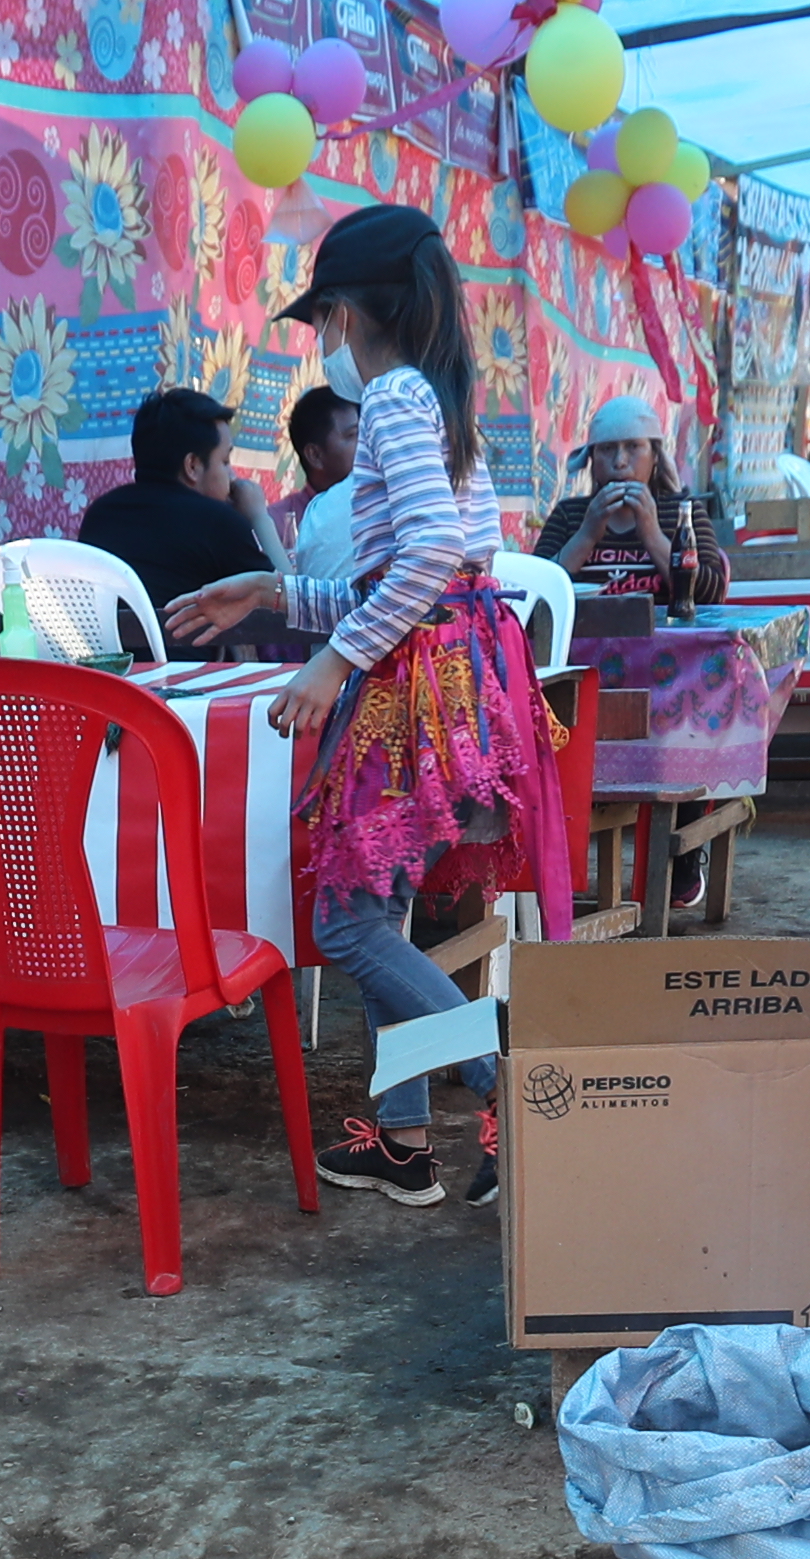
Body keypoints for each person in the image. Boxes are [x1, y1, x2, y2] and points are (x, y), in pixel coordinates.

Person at [164, 202, 553, 1210]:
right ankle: (405, 1142)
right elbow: (424, 571)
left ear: (352, 311)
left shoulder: (391, 401)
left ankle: (509, 1080)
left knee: (344, 924)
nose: (321, 340)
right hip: (452, 664)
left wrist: (330, 664)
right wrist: (274, 595)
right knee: (378, 910)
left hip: (411, 686)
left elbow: (425, 562)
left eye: (323, 320)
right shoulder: (437, 398)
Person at [75, 385, 276, 618]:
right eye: (225, 461)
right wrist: (259, 516)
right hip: (184, 656)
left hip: (114, 655)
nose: (232, 476)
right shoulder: (217, 521)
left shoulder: (99, 516)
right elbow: (289, 605)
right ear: (192, 466)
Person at [533, 391, 689, 609]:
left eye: (633, 447)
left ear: (655, 456)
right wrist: (586, 535)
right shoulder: (568, 516)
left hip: (668, 642)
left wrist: (652, 534)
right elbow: (533, 593)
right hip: (583, 641)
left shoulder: (684, 513)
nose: (619, 462)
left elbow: (710, 594)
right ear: (592, 459)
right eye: (607, 449)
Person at [277, 381, 358, 545]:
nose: (366, 444)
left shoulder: (379, 510)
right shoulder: (278, 525)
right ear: (314, 455)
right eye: (353, 435)